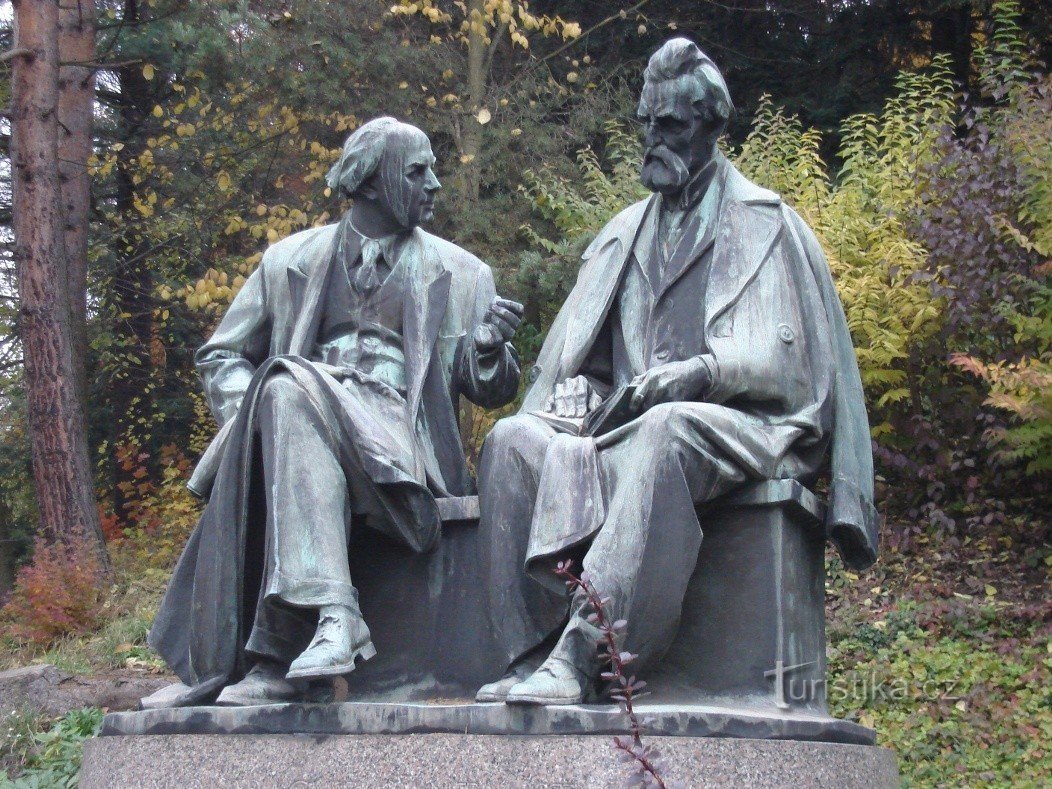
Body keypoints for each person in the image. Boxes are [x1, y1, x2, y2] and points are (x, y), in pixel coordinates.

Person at [474, 39, 878, 706]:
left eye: (671, 124)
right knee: (512, 440)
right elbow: (593, 363)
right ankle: (529, 653)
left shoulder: (765, 224)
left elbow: (794, 369)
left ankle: (586, 650)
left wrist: (698, 374)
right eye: (646, 122)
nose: (652, 138)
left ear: (711, 126)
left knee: (668, 428)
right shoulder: (622, 233)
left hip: (748, 423)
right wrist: (581, 391)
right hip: (627, 425)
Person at [148, 117, 523, 707]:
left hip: (400, 447)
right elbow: (222, 355)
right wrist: (253, 424)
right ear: (370, 182)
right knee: (283, 397)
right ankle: (323, 624)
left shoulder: (464, 273)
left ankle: (274, 655)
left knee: (285, 389)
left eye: (433, 171)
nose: (435, 185)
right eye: (417, 172)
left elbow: (490, 390)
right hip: (305, 430)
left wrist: (489, 350)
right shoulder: (287, 261)